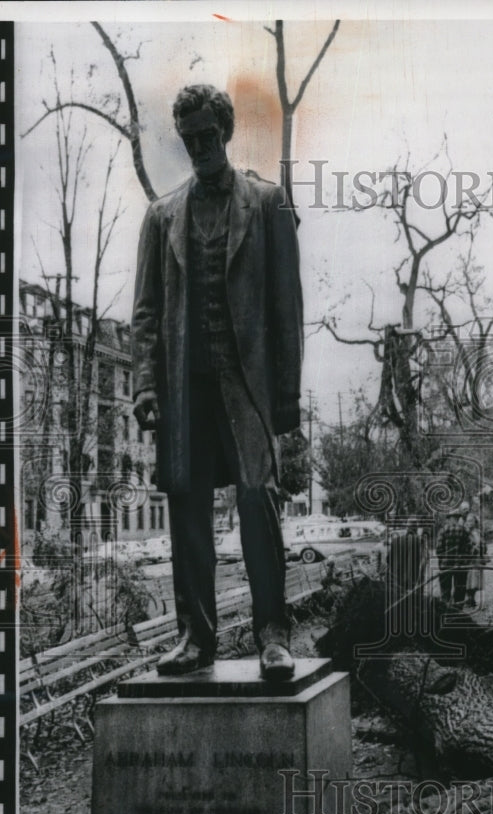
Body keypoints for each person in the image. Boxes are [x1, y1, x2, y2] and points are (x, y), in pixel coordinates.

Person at [131, 84, 303, 681]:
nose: (200, 147)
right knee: (187, 510)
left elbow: (287, 309)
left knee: (258, 498)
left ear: (225, 131)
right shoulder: (161, 217)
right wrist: (146, 387)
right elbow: (147, 314)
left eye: (208, 135)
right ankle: (195, 637)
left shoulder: (267, 203)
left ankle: (273, 635)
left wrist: (287, 397)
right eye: (190, 139)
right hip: (185, 393)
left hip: (246, 385)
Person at [436, 508, 472, 606]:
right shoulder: (464, 530)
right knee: (460, 589)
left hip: (445, 565)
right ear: (457, 518)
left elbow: (438, 550)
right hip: (461, 565)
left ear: (450, 518)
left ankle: (446, 611)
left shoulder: (443, 531)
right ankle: (458, 611)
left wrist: (442, 560)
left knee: (445, 591)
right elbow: (469, 547)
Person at [461, 499, 485, 608]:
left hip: (477, 559)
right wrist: (471, 547)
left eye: (472, 521)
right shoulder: (464, 532)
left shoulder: (478, 532)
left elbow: (484, 544)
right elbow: (463, 545)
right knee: (468, 579)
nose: (470, 522)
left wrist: (481, 547)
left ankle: (472, 598)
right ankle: (468, 599)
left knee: (476, 580)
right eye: (468, 521)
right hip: (468, 559)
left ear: (475, 522)